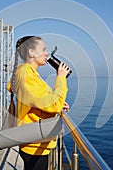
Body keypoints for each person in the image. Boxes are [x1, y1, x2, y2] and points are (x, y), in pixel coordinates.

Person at [7, 36, 70, 170]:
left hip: (35, 140)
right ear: (31, 52)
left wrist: (59, 104)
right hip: (34, 142)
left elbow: (37, 100)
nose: (47, 53)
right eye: (43, 49)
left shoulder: (28, 73)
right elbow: (52, 104)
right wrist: (61, 78)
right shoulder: (27, 76)